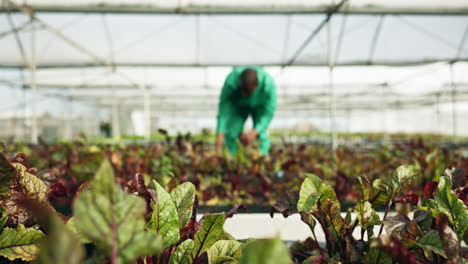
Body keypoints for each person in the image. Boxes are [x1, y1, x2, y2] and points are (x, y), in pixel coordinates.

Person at [215, 66, 277, 155]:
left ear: (256, 86)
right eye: (242, 91)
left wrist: (253, 133)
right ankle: (233, 160)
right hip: (239, 106)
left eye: (247, 92)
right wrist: (219, 144)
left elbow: (268, 114)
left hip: (260, 107)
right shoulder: (230, 82)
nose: (244, 95)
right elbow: (223, 113)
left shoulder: (269, 85)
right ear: (239, 83)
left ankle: (262, 158)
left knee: (261, 135)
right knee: (231, 133)